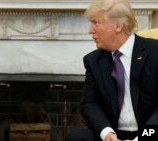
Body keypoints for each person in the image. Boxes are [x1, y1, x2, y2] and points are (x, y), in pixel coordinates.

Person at [66, 0, 158, 141]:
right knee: (77, 136)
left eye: (96, 23)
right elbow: (90, 103)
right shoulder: (93, 61)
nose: (90, 30)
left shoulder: (154, 52)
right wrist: (107, 133)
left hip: (149, 133)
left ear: (118, 26)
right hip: (114, 134)